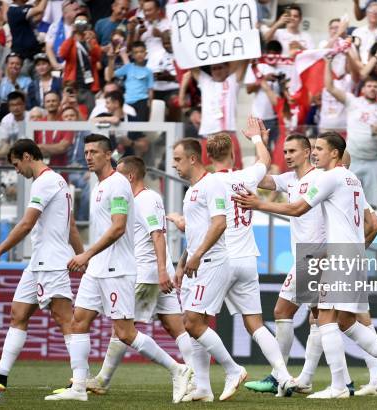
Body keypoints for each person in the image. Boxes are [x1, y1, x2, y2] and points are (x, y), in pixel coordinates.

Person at [234, 132, 377, 400]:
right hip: (349, 254)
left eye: (319, 148)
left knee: (325, 319)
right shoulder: (352, 179)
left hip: (337, 255)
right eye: (314, 148)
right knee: (345, 321)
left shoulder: (329, 177)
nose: (314, 152)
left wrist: (259, 204)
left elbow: (297, 209)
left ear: (335, 154)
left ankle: (339, 385)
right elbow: (371, 223)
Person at [44, 134, 192, 402]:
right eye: (86, 152)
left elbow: (118, 227)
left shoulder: (119, 185)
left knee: (125, 332)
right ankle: (79, 387)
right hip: (97, 269)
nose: (88, 156)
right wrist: (89, 258)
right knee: (79, 321)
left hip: (118, 270)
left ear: (107, 154)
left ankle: (178, 369)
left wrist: (86, 253)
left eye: (94, 152)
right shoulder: (99, 185)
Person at [0, 139, 83, 391]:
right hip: (38, 262)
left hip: (51, 261)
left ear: (27, 156)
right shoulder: (58, 181)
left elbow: (27, 223)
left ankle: (80, 380)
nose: (17, 170)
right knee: (18, 314)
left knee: (64, 319)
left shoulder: (44, 182)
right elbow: (70, 226)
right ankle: (0, 375)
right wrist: (82, 256)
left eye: (17, 164)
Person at [82, 155, 195, 394]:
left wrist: (162, 270)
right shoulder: (137, 200)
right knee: (175, 325)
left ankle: (103, 380)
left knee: (122, 328)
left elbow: (157, 235)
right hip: (152, 272)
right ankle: (196, 380)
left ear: (131, 176)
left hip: (146, 273)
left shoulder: (145, 199)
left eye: (119, 174)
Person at [206, 120, 297, 397]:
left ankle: (205, 379)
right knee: (255, 323)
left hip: (221, 258)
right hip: (247, 258)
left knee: (195, 321)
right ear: (233, 153)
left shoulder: (209, 182)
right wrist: (257, 138)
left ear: (208, 157)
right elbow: (265, 160)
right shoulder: (245, 177)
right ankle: (283, 374)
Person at [245, 133, 328, 395]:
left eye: (292, 151)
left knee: (282, 311)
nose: (288, 156)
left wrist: (259, 204)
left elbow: (296, 209)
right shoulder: (289, 179)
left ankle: (278, 375)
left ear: (307, 152)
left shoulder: (319, 178)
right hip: (311, 256)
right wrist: (258, 142)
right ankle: (306, 379)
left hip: (313, 255)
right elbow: (262, 178)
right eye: (285, 151)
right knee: (321, 318)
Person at [171, 138, 246, 402]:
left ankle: (233, 370)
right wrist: (182, 262)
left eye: (178, 159)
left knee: (193, 322)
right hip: (194, 265)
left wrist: (199, 255)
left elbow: (219, 224)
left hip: (212, 262)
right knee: (192, 325)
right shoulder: (191, 191)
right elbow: (195, 232)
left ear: (193, 159)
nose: (173, 164)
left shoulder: (212, 184)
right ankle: (203, 387)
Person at [325, 68, 377, 208]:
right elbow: (330, 87)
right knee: (346, 201)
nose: (372, 89)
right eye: (369, 86)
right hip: (352, 161)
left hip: (373, 162)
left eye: (376, 87)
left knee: (371, 206)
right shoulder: (353, 102)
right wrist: (328, 63)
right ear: (363, 88)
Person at [189, 61, 249, 170]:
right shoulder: (205, 81)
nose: (217, 71)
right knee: (205, 176)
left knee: (235, 174)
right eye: (214, 68)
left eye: (220, 68)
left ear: (227, 69)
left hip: (228, 137)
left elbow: (243, 63)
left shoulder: (232, 82)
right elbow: (191, 64)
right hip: (209, 138)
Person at [59, 12, 102, 113]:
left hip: (88, 87)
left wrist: (90, 42)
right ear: (74, 24)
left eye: (84, 22)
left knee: (89, 114)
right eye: (79, 22)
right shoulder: (70, 41)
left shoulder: (91, 39)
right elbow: (62, 54)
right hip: (72, 86)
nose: (81, 24)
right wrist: (72, 35)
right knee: (71, 114)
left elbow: (98, 56)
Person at [245, 40, 283, 149]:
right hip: (260, 117)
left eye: (276, 54)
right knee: (262, 150)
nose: (272, 57)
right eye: (270, 53)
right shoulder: (257, 67)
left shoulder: (282, 68)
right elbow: (248, 89)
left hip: (277, 117)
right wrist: (264, 79)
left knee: (277, 151)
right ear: (266, 53)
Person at [106, 41, 153, 121]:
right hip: (127, 102)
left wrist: (150, 104)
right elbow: (110, 76)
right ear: (132, 55)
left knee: (140, 126)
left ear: (146, 53)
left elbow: (150, 90)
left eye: (141, 52)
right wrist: (111, 60)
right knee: (127, 126)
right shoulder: (128, 67)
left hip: (142, 101)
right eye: (136, 52)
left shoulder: (148, 71)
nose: (139, 54)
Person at [35, 91, 75, 167]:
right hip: (40, 169)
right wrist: (54, 148)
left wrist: (41, 147)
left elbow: (62, 147)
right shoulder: (37, 124)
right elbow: (31, 148)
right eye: (48, 101)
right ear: (44, 104)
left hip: (60, 169)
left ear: (59, 103)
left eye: (54, 101)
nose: (51, 103)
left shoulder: (66, 124)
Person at [45, 0, 80, 71]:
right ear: (65, 13)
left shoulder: (83, 24)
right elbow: (49, 48)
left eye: (79, 9)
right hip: (59, 67)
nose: (79, 12)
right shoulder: (54, 27)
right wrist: (56, 65)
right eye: (75, 10)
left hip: (77, 66)